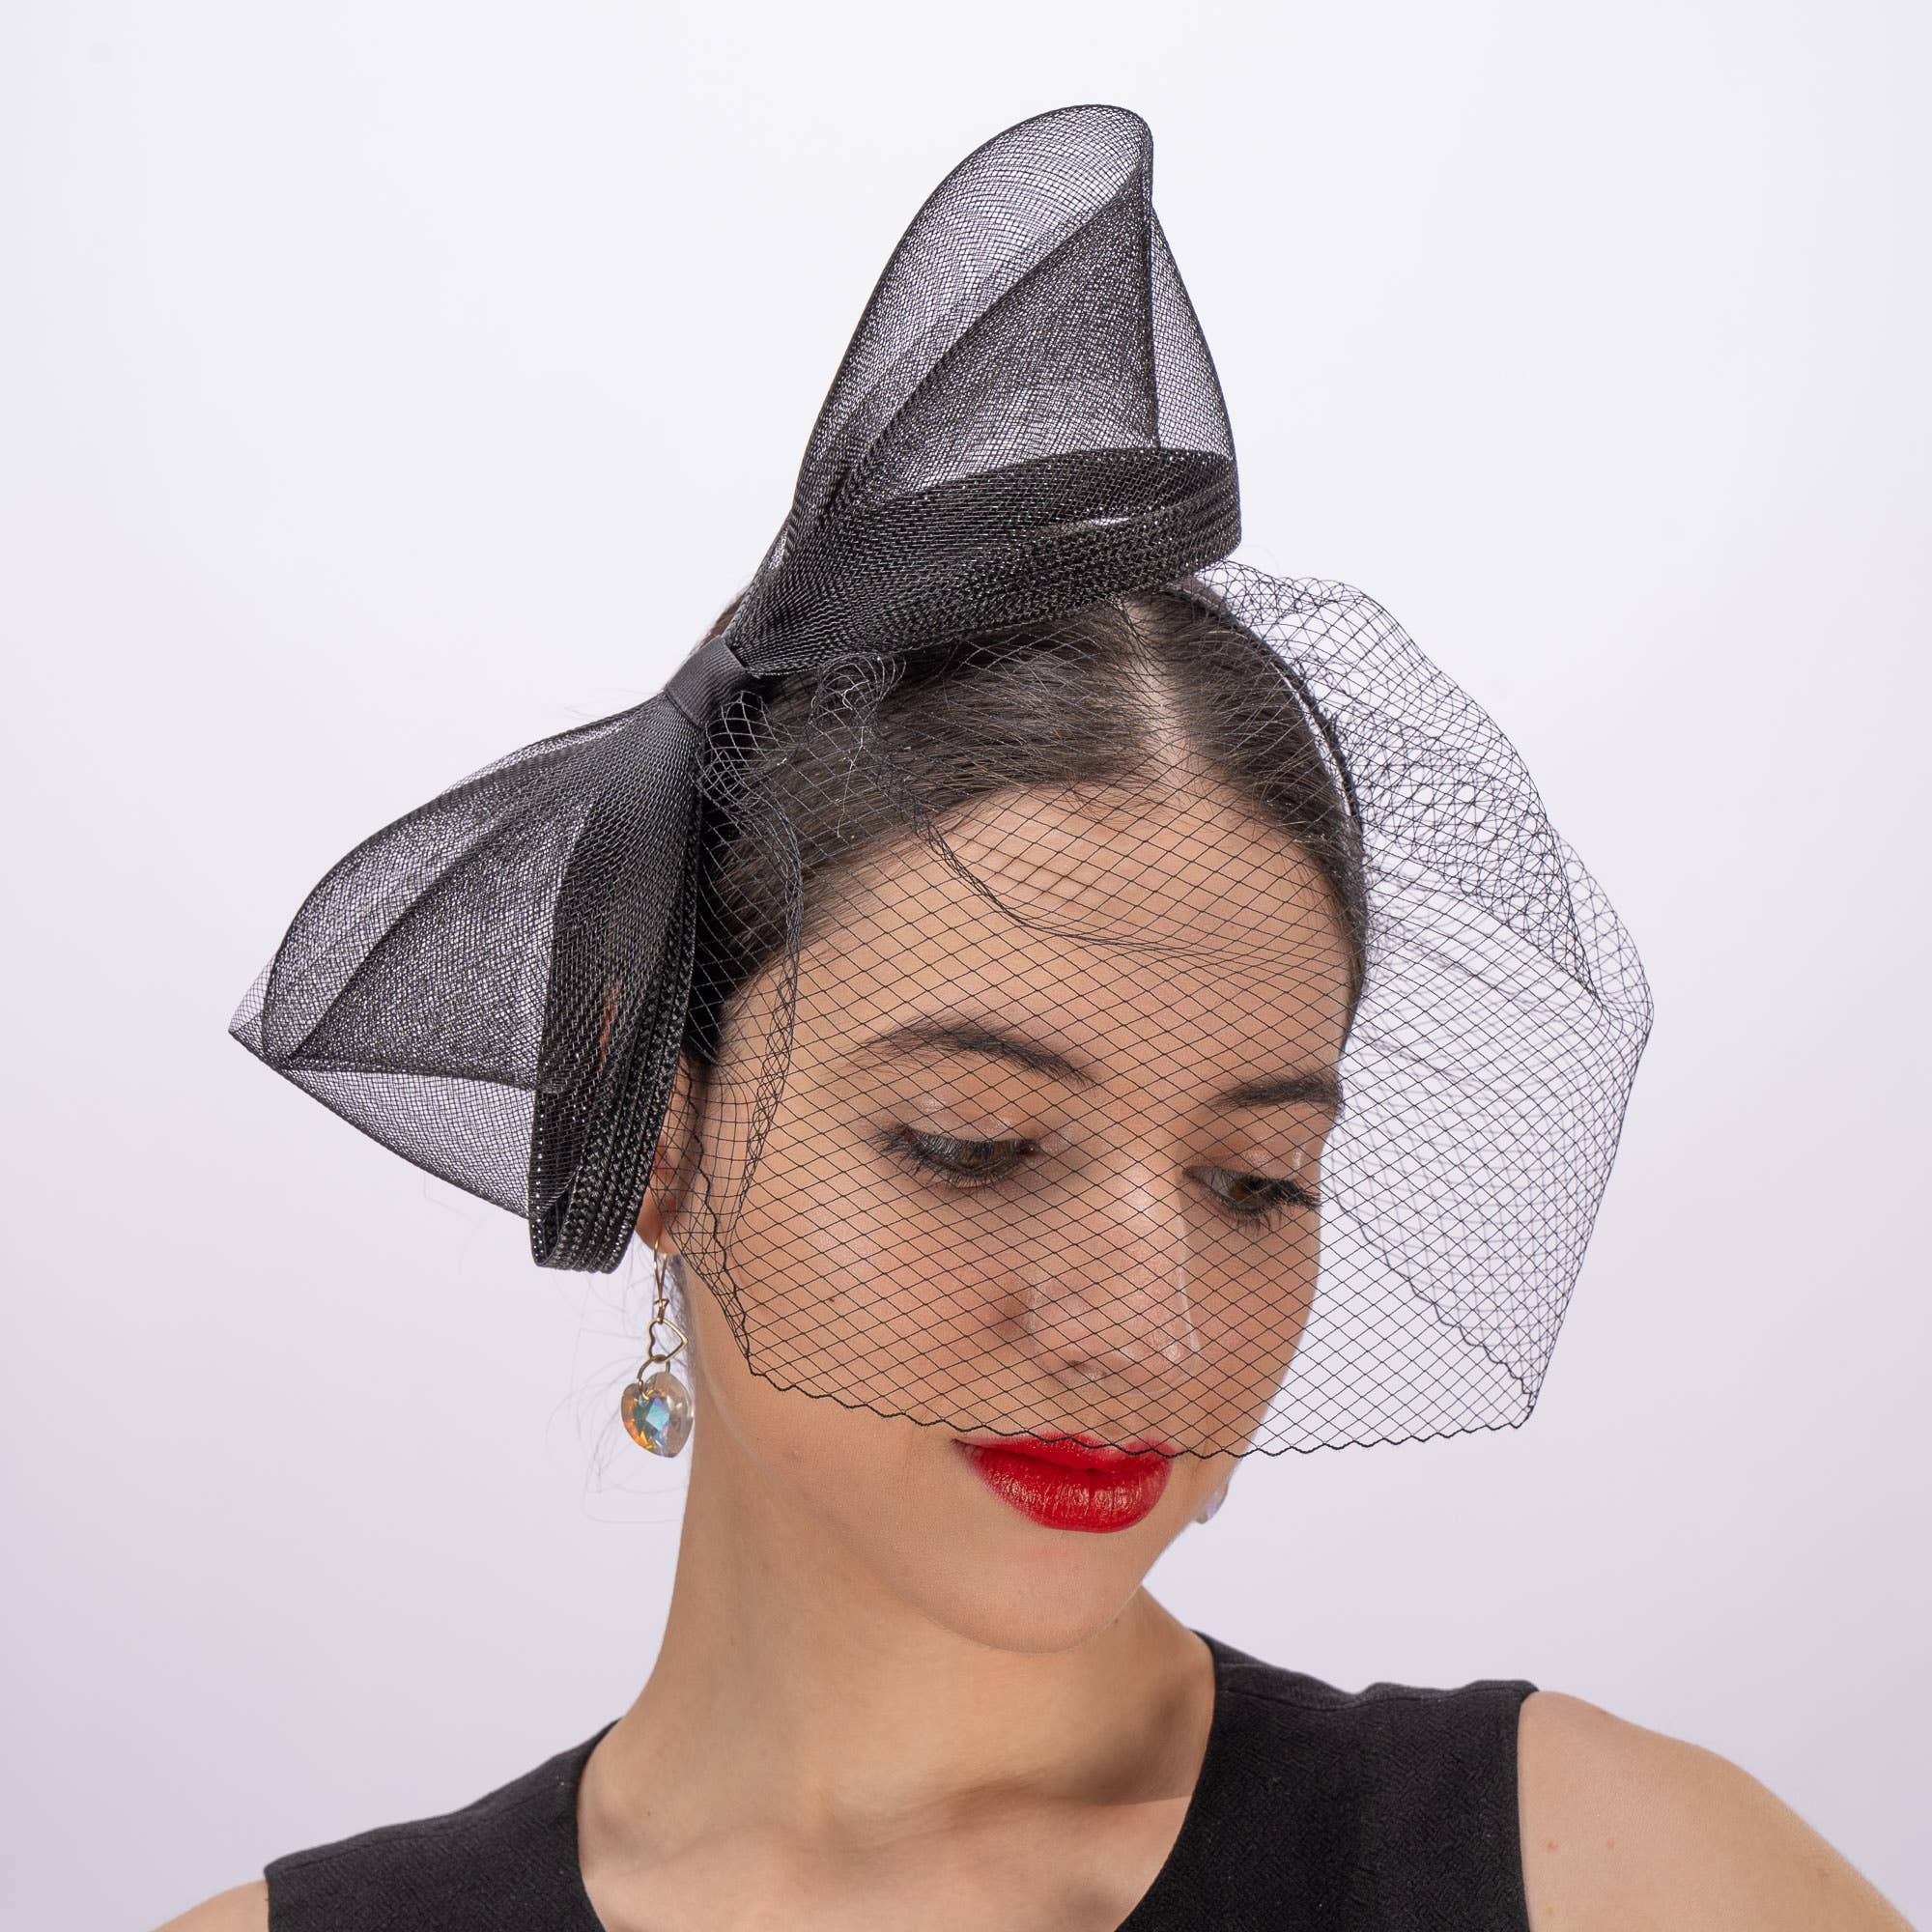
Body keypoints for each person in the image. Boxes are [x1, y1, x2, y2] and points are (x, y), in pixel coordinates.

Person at [158, 106, 1916, 1930]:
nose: (1148, 1325)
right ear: (657, 1140)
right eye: (973, 1147)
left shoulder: (1613, 1876)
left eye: (1256, 1179)